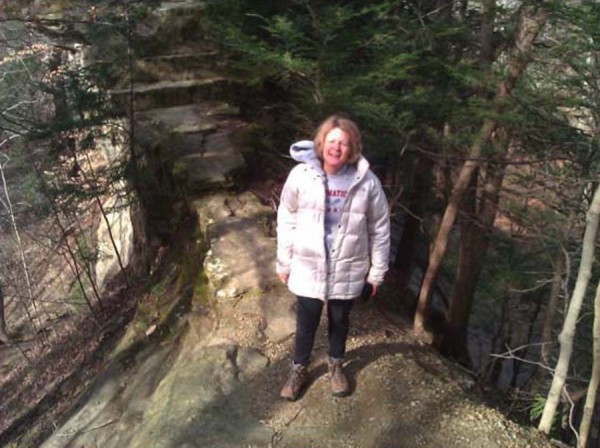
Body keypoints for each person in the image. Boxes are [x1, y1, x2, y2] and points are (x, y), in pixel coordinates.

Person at [276, 114, 390, 401]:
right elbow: (286, 217)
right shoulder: (301, 176)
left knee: (340, 319)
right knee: (307, 321)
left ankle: (336, 366)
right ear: (321, 142)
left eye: (343, 142)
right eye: (332, 141)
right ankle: (298, 369)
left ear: (352, 147)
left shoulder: (367, 182)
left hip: (348, 264)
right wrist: (284, 261)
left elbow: (380, 227)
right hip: (308, 263)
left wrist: (376, 273)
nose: (336, 147)